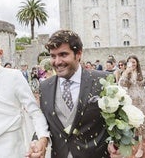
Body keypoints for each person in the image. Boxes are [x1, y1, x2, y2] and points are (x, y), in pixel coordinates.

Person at [29, 30, 121, 158]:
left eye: (63, 54)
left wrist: (115, 144)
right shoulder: (45, 87)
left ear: (78, 54)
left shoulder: (104, 81)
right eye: (53, 56)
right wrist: (38, 140)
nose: (57, 61)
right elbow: (44, 122)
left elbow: (119, 120)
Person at [119, 55, 145, 158]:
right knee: (130, 124)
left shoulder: (142, 73)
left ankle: (141, 148)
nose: (132, 64)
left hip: (142, 102)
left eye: (134, 62)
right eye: (130, 62)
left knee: (141, 125)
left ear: (137, 63)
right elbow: (121, 84)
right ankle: (130, 145)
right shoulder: (126, 74)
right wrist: (126, 72)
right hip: (130, 102)